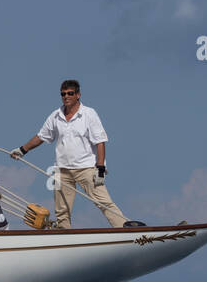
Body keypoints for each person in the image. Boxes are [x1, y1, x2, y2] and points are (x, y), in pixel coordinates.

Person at [10, 79, 127, 229]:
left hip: (86, 168)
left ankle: (125, 229)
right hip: (62, 169)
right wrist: (22, 150)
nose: (66, 96)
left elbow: (100, 142)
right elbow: (41, 136)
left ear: (78, 95)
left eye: (70, 93)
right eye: (63, 94)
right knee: (62, 211)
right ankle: (63, 235)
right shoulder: (55, 116)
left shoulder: (89, 114)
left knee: (104, 202)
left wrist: (100, 168)